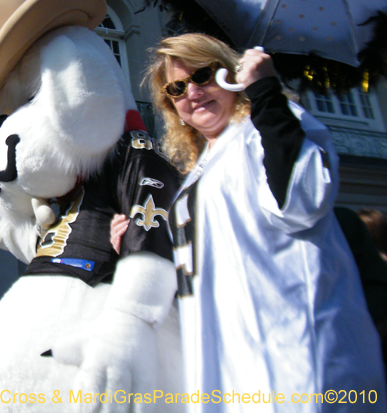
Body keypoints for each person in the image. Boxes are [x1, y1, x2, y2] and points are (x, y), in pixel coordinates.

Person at [117, 33, 385, 408]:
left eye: (203, 75)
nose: (192, 92)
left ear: (231, 74)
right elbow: (199, 261)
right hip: (227, 359)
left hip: (292, 355)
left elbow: (301, 199)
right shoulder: (199, 171)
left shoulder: (267, 127)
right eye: (176, 89)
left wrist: (265, 93)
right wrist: (135, 240)